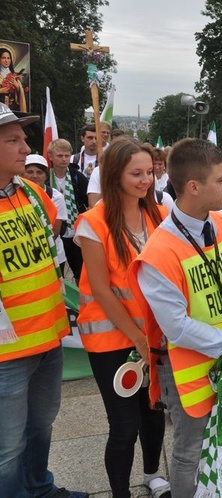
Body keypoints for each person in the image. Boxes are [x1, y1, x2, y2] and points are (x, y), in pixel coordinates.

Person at [129, 138, 222, 497]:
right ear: (193, 187)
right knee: (190, 450)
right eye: (221, 179)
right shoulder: (160, 251)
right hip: (192, 366)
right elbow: (176, 327)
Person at [0, 104, 87, 498]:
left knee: (41, 427)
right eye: (13, 140)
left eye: (23, 137)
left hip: (49, 338)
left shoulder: (33, 193)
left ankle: (40, 488)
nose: (26, 147)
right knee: (6, 449)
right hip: (7, 353)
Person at [75, 138, 170, 498]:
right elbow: (101, 290)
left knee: (153, 411)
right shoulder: (92, 223)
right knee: (123, 425)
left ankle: (152, 474)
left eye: (149, 171)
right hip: (112, 340)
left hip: (153, 335)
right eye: (136, 173)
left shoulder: (158, 214)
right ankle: (120, 493)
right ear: (114, 175)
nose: (146, 180)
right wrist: (139, 340)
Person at [48, 138, 89, 283]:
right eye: (59, 156)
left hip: (75, 231)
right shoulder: (46, 177)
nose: (64, 159)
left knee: (80, 272)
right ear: (51, 156)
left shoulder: (78, 177)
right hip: (56, 232)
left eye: (67, 155)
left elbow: (88, 203)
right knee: (57, 273)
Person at [24, 154, 67, 271]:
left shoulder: (56, 197)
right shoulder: (14, 196)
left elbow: (55, 231)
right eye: (29, 172)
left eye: (39, 172)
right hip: (25, 258)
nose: (34, 176)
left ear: (46, 175)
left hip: (53, 255)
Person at [0, 48, 26, 112]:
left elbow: (21, 97)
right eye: (3, 58)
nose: (6, 61)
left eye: (8, 58)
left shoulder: (15, 76)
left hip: (12, 109)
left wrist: (17, 86)